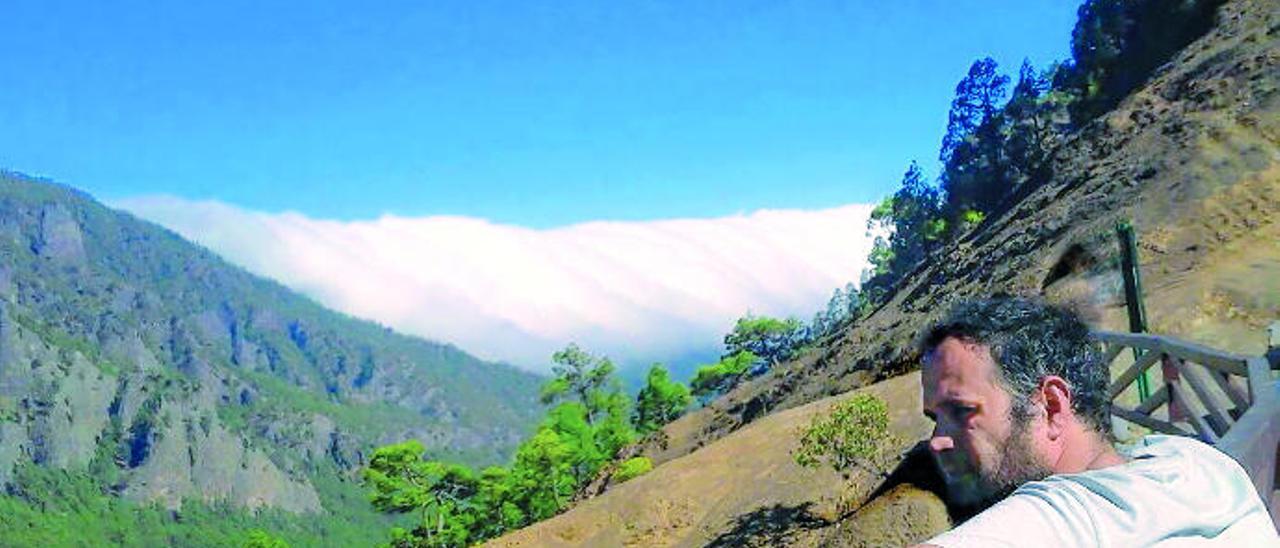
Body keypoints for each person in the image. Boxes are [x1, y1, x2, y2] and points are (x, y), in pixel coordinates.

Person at [911, 296, 1278, 547]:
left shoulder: (1066, 518)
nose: (936, 441)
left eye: (961, 412)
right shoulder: (1195, 461)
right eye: (935, 418)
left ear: (1051, 406)